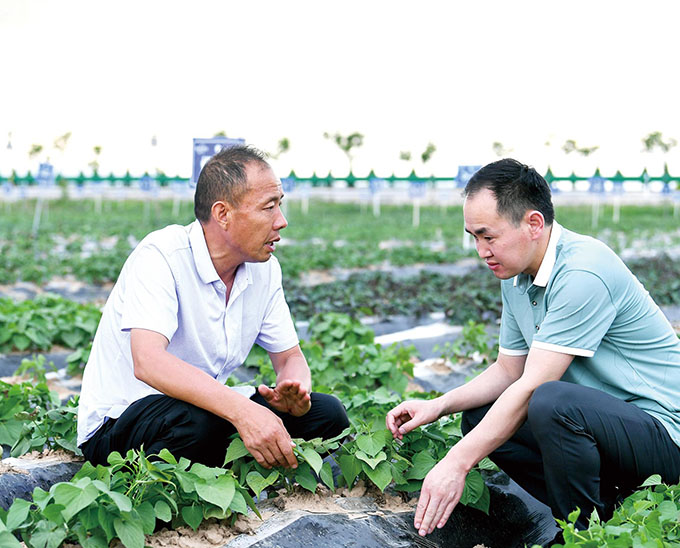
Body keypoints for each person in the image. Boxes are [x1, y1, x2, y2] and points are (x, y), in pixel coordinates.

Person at [386, 158, 680, 537]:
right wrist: (438, 405)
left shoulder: (583, 271)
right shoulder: (516, 275)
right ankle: (602, 508)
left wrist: (456, 463)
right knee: (479, 414)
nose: (480, 251)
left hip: (664, 433)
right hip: (607, 428)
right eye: (473, 237)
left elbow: (530, 387)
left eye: (488, 236)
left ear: (534, 224)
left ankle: (583, 534)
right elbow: (509, 371)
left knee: (551, 401)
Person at [77, 145, 348, 469]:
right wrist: (244, 411)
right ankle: (221, 470)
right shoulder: (162, 255)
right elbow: (148, 362)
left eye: (280, 206)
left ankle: (226, 470)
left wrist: (295, 391)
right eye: (269, 207)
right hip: (122, 423)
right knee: (197, 423)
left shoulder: (264, 269)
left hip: (208, 411)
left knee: (328, 416)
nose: (282, 221)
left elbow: (290, 357)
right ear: (223, 214)